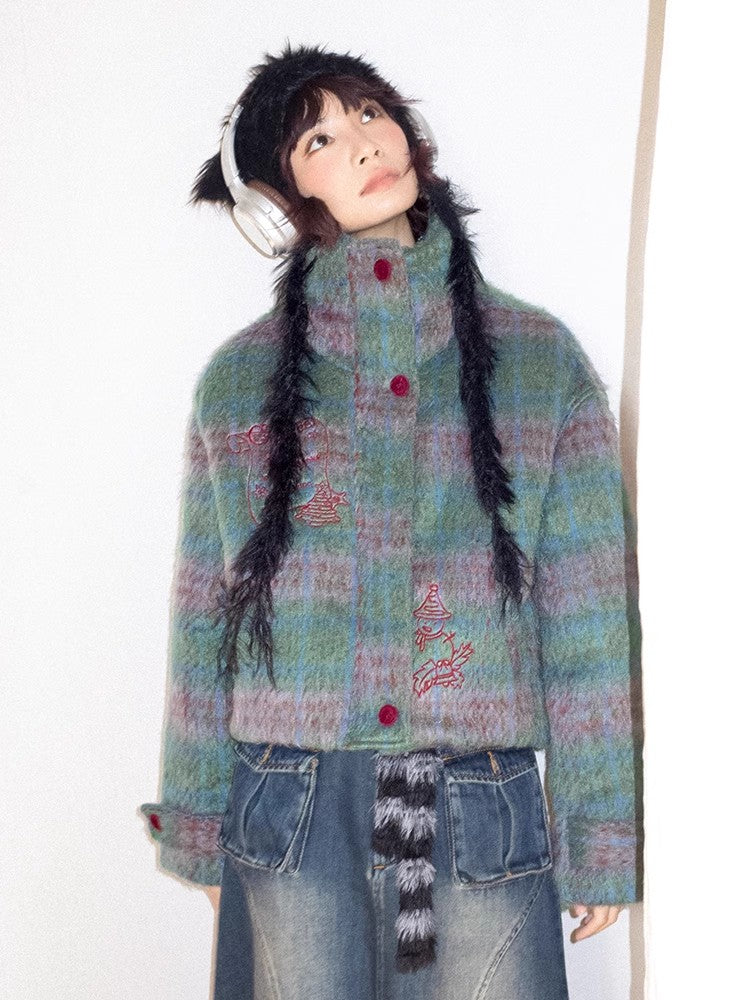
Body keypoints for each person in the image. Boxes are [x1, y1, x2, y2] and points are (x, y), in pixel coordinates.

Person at [139, 41, 643, 999]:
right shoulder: (239, 386)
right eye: (319, 139)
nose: (364, 141)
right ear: (279, 200)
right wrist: (199, 825)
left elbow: (588, 623)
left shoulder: (540, 366)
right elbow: (204, 620)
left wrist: (601, 833)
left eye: (369, 112)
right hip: (292, 816)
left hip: (478, 809)